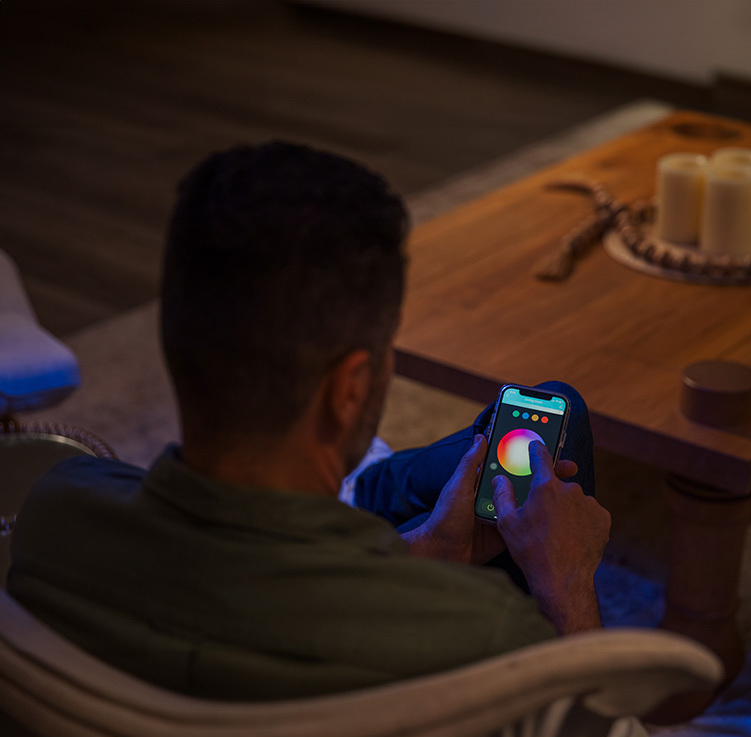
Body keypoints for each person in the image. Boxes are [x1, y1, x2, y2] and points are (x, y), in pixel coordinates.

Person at [8, 141, 611, 702]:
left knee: (520, 431)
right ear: (349, 389)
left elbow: (258, 599)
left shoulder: (56, 508)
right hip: (346, 591)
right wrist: (566, 587)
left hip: (292, 560)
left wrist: (428, 551)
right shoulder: (485, 632)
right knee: (558, 416)